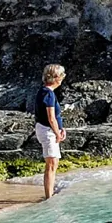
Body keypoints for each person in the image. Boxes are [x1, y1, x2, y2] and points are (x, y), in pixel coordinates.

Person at [32, 64, 67, 200]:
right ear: (57, 78)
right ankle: (49, 197)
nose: (63, 79)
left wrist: (60, 129)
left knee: (53, 162)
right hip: (47, 130)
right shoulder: (48, 94)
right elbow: (51, 117)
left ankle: (50, 193)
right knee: (51, 164)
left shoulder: (44, 91)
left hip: (46, 129)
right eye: (62, 76)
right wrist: (58, 133)